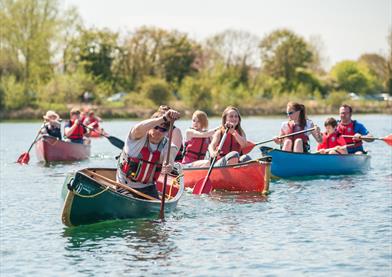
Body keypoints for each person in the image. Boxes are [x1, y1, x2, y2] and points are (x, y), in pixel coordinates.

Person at [116, 108, 180, 198]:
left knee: (155, 209)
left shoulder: (168, 146)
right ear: (150, 126)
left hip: (148, 187)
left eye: (163, 129)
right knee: (132, 206)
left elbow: (169, 159)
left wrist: (168, 166)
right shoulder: (137, 136)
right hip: (125, 185)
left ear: (167, 132)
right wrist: (164, 118)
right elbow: (138, 128)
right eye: (156, 127)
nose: (158, 131)